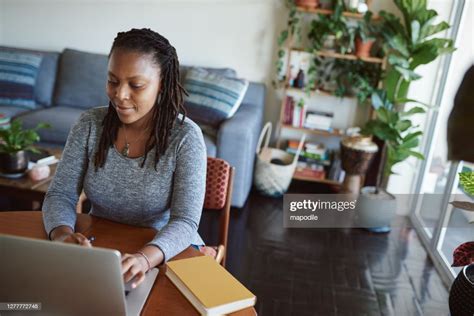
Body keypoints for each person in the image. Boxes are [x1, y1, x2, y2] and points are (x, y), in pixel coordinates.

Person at [42, 28, 207, 289]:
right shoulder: (89, 125)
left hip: (165, 253)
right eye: (113, 81)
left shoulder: (186, 138)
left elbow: (185, 221)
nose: (120, 94)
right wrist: (62, 236)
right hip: (104, 248)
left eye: (136, 85)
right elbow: (60, 194)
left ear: (162, 83)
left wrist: (144, 259)